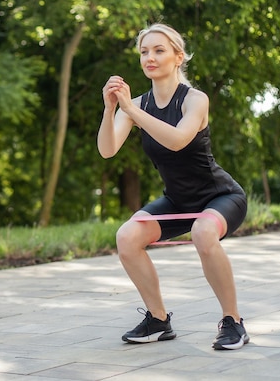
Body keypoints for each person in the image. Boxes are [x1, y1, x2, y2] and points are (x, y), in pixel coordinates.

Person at [97, 23, 249, 350]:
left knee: (203, 232)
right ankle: (158, 319)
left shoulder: (195, 100)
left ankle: (233, 321)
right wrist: (111, 110)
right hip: (178, 201)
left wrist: (132, 111)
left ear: (178, 57)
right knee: (126, 236)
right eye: (144, 52)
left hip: (220, 197)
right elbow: (107, 150)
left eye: (158, 50)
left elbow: (178, 140)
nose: (149, 57)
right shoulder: (136, 105)